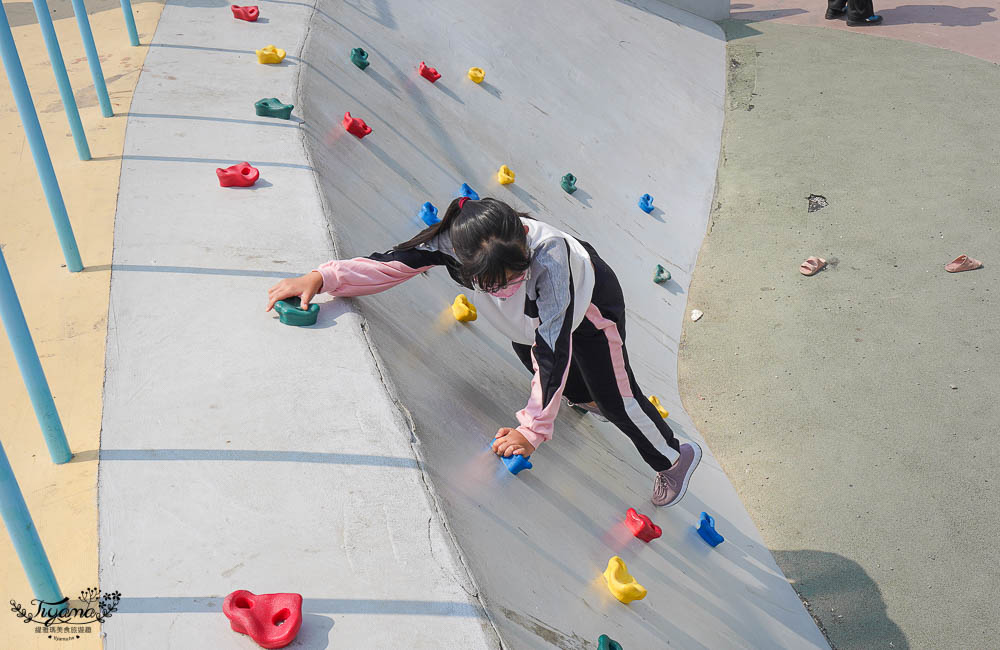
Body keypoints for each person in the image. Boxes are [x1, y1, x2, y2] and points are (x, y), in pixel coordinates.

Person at [266, 197, 701, 507]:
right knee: (557, 375)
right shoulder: (453, 244)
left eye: (515, 275)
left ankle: (673, 457)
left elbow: (553, 347)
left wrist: (531, 432)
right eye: (494, 282)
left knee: (615, 397)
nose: (506, 286)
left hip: (587, 313)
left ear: (525, 248)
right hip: (528, 322)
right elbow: (390, 264)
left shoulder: (550, 263)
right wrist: (321, 279)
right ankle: (582, 399)